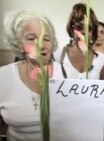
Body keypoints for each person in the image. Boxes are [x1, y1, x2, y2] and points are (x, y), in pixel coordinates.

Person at [0, 10, 68, 141]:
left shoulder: (68, 74)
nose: (41, 45)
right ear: (19, 43)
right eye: (31, 39)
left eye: (46, 39)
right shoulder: (2, 77)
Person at [54, 3, 104, 80]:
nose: (84, 32)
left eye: (89, 28)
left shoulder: (101, 60)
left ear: (93, 32)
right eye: (79, 27)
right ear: (71, 29)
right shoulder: (58, 56)